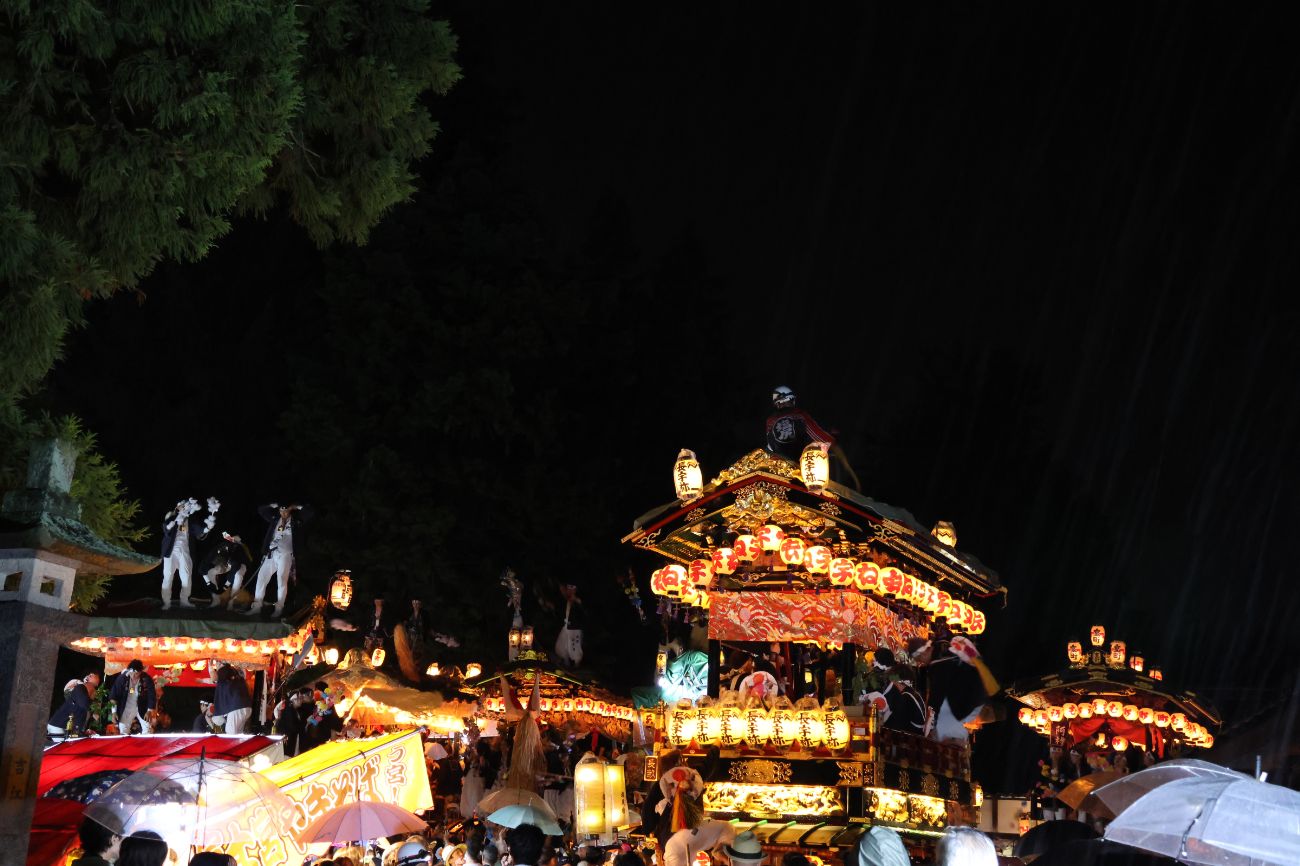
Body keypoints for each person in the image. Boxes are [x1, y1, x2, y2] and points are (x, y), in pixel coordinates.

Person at [248, 502, 313, 618]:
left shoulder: (296, 521)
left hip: (285, 554)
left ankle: (279, 608)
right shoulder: (274, 519)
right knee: (262, 577)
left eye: (286, 510)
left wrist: (295, 506)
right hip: (271, 553)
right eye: (281, 510)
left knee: (281, 580)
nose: (283, 513)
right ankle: (257, 606)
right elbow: (261, 510)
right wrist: (272, 505)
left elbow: (310, 512)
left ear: (290, 511)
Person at [160, 497, 217, 609]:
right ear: (178, 507)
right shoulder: (171, 516)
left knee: (186, 577)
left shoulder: (190, 520)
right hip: (171, 552)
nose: (185, 507)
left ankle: (184, 600)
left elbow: (199, 532)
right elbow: (166, 529)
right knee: (167, 577)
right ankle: (166, 602)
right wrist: (175, 518)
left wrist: (207, 528)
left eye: (187, 506)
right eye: (183, 505)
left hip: (185, 551)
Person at [111, 660, 157, 735]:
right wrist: (114, 712)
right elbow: (114, 695)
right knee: (123, 729)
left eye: (136, 674)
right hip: (127, 706)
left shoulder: (146, 679)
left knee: (147, 729)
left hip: (143, 706)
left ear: (140, 672)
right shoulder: (122, 678)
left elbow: (151, 695)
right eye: (132, 673)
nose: (134, 676)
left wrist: (149, 710)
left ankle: (146, 745)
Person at [214, 664, 252, 734]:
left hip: (237, 708)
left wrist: (210, 667)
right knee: (238, 733)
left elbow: (214, 678)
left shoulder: (225, 676)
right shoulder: (237, 678)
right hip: (246, 707)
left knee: (230, 733)